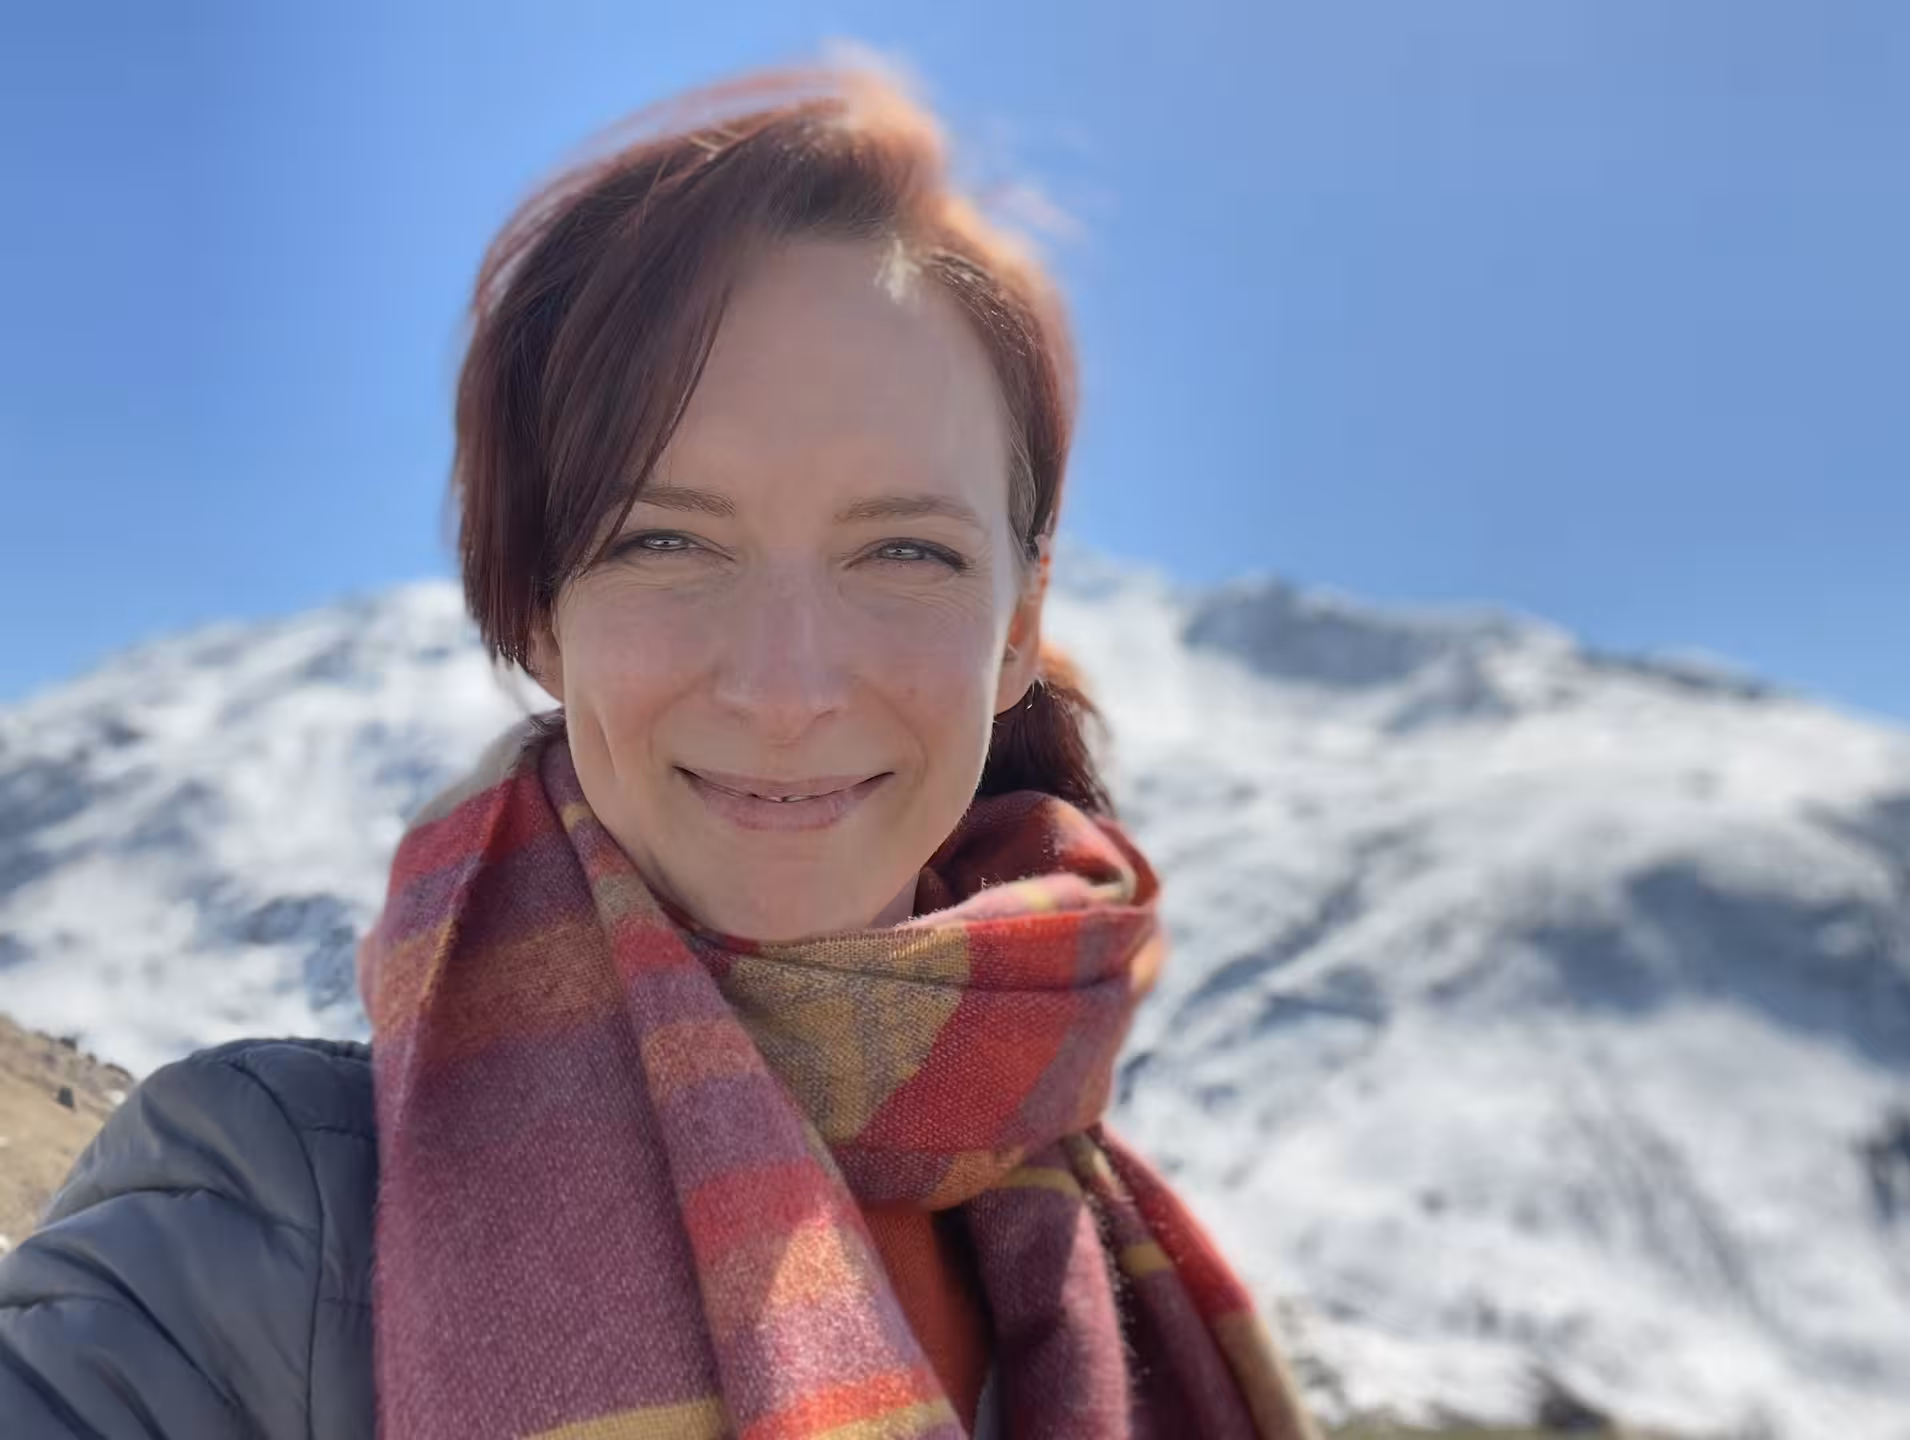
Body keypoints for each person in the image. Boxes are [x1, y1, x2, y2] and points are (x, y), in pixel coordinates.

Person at [0, 61, 1320, 1440]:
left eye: (905, 552)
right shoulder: (263, 1224)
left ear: (1017, 631)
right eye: (666, 540)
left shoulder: (1110, 1266)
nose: (784, 688)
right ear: (541, 615)